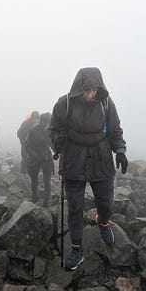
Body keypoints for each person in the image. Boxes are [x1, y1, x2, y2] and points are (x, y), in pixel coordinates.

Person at [48, 67, 128, 271]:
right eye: (88, 90)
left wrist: (119, 150)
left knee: (106, 202)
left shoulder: (106, 103)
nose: (91, 94)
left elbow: (115, 129)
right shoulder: (64, 104)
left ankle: (103, 221)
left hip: (101, 158)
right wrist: (58, 141)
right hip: (73, 160)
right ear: (79, 87)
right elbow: (53, 130)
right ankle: (77, 250)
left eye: (94, 90)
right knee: (74, 207)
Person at [25, 112, 54, 207]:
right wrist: (36, 156)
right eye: (46, 123)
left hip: (46, 157)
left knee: (47, 181)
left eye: (49, 123)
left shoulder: (50, 130)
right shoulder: (33, 130)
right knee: (34, 179)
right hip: (34, 158)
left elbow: (51, 143)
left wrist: (58, 151)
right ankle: (34, 197)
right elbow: (27, 146)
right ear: (42, 122)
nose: (47, 126)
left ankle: (46, 203)